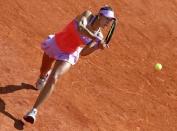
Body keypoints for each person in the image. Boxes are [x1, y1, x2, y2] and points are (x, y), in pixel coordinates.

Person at [23, 5, 116, 124]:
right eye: (107, 18)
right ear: (100, 15)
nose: (108, 22)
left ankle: (33, 111)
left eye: (110, 20)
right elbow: (81, 29)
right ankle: (42, 77)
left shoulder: (100, 36)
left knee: (54, 77)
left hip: (69, 54)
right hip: (55, 44)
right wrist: (95, 38)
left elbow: (83, 52)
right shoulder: (87, 15)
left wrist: (97, 46)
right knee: (44, 71)